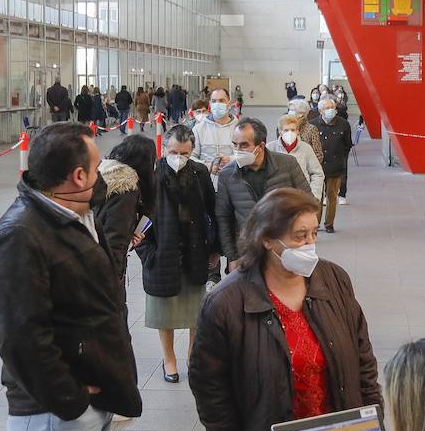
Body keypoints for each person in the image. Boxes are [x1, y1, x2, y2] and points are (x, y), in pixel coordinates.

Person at [0, 122, 141, 431]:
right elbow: (21, 337)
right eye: (98, 167)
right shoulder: (20, 236)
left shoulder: (75, 212)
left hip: (94, 394)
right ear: (78, 176)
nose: (104, 175)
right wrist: (69, 400)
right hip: (55, 412)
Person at [189, 188, 381, 431]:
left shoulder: (334, 281)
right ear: (267, 239)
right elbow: (208, 383)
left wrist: (371, 422)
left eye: (314, 233)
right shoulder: (226, 303)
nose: (310, 245)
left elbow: (363, 358)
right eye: (299, 236)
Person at [136, 126, 217, 383]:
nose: (178, 157)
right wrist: (147, 252)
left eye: (184, 152)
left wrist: (214, 248)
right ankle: (168, 358)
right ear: (164, 148)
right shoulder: (151, 175)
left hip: (194, 249)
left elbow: (212, 211)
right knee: (164, 311)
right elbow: (137, 218)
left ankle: (193, 356)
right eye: (173, 151)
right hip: (161, 250)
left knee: (195, 311)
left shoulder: (200, 172)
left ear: (192, 151)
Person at [215, 118, 310, 268]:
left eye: (244, 145)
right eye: (235, 144)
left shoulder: (287, 165)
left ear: (261, 146)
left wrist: (303, 241)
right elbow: (223, 217)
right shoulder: (228, 175)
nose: (238, 150)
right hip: (247, 253)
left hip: (285, 250)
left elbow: (308, 205)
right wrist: (232, 257)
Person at [94, 134, 156, 287]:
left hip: (89, 260)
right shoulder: (126, 190)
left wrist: (130, 239)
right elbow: (115, 240)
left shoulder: (102, 173)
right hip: (104, 276)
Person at [314, 97, 353, 233]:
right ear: (320, 110)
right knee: (317, 196)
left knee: (332, 196)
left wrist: (341, 158)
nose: (330, 110)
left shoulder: (343, 124)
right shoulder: (314, 125)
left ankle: (329, 224)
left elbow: (348, 144)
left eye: (332, 107)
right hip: (317, 166)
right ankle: (315, 223)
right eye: (326, 108)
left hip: (335, 166)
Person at [268, 113, 324, 200]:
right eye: (286, 130)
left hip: (302, 197)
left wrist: (314, 195)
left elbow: (317, 173)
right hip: (277, 198)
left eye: (293, 130)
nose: (290, 133)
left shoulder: (306, 148)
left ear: (297, 131)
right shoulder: (270, 148)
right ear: (280, 131)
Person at [192, 87, 237, 179]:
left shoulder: (239, 128)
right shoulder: (198, 129)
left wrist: (231, 160)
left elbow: (246, 154)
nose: (217, 104)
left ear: (228, 103)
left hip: (233, 178)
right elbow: (190, 157)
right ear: (210, 104)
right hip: (206, 180)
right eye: (214, 101)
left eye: (221, 100)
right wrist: (207, 166)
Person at [287, 97, 326, 165]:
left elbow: (318, 155)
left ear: (301, 113)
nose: (289, 112)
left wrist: (309, 167)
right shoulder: (285, 127)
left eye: (293, 110)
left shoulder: (311, 129)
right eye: (289, 109)